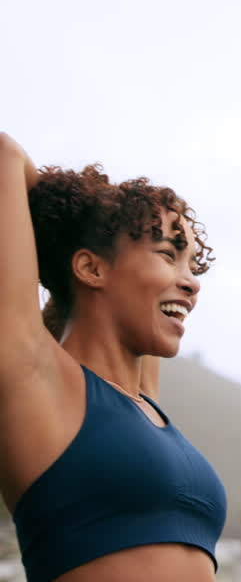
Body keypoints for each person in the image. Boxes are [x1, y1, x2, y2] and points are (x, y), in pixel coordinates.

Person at [0, 132, 226, 582]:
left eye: (191, 265)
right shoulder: (35, 378)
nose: (191, 282)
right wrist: (74, 217)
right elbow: (3, 154)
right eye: (167, 255)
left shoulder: (143, 398)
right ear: (91, 268)